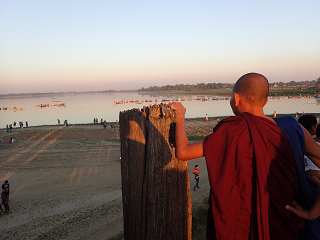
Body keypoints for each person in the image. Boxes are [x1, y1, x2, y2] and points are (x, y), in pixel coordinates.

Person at [169, 72, 320, 239]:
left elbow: (183, 152)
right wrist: (312, 212)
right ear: (266, 101)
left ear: (236, 98)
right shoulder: (293, 128)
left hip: (244, 227)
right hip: (284, 223)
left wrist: (181, 116)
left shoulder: (232, 131)